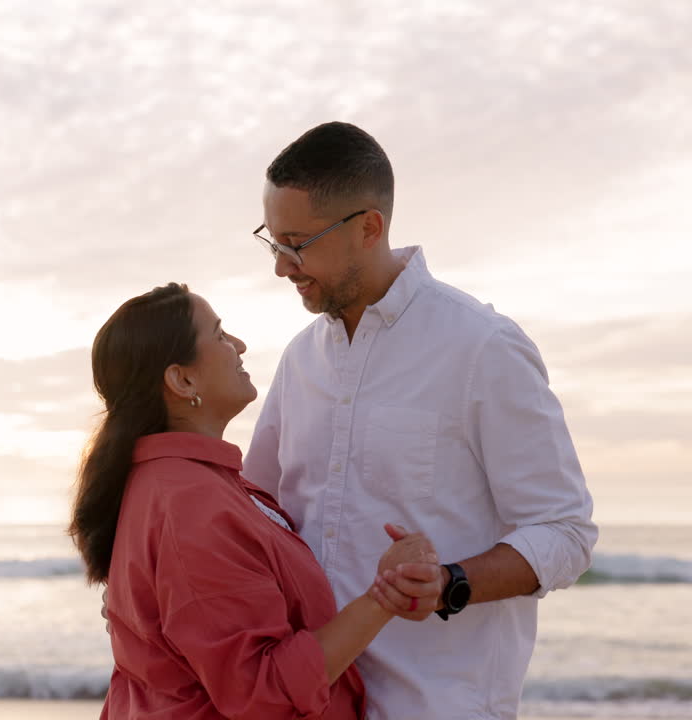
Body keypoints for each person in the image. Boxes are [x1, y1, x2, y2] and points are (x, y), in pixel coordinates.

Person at [243, 121, 598, 720]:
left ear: (368, 228)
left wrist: (449, 582)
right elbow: (257, 513)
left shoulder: (483, 346)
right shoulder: (301, 358)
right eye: (272, 242)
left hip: (437, 705)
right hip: (314, 703)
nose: (282, 267)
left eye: (297, 244)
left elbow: (565, 532)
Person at [70, 282, 442, 719]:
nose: (239, 345)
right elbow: (264, 692)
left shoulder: (195, 484)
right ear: (182, 379)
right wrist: (384, 596)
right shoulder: (188, 503)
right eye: (220, 334)